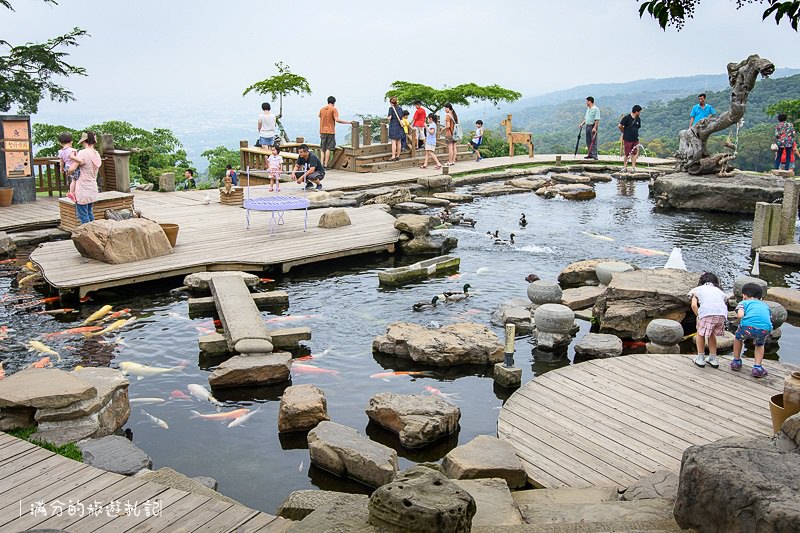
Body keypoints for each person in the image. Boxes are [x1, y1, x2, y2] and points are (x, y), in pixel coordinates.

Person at [732, 283, 773, 378]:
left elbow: (740, 315)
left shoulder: (743, 303)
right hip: (764, 329)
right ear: (760, 298)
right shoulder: (765, 305)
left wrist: (738, 318)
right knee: (760, 344)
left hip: (747, 327)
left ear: (744, 296)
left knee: (738, 338)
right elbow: (769, 318)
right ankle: (757, 367)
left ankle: (736, 361)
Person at [689, 272, 728, 369]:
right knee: (711, 334)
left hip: (707, 312)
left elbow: (694, 305)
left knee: (700, 333)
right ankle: (713, 358)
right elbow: (723, 302)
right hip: (722, 314)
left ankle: (701, 358)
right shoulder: (719, 291)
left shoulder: (697, 290)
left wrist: (698, 316)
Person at [69, 131, 100, 225]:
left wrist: (68, 171)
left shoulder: (82, 153)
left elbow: (72, 168)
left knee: (83, 216)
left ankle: (87, 235)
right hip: (92, 187)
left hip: (82, 188)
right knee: (90, 213)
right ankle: (94, 232)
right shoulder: (97, 154)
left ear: (84, 141)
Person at [319, 96, 352, 167]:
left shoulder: (322, 109)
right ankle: (325, 165)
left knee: (322, 149)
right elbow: (337, 120)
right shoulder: (333, 109)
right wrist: (348, 122)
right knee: (328, 148)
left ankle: (321, 164)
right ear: (334, 102)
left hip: (322, 131)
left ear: (327, 101)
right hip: (330, 131)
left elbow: (320, 117)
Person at [618, 105, 642, 172]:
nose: (640, 113)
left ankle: (633, 167)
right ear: (636, 111)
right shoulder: (626, 118)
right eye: (639, 112)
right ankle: (624, 167)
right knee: (627, 153)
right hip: (627, 139)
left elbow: (637, 128)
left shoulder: (638, 119)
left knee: (634, 153)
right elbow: (620, 126)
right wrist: (624, 131)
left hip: (635, 139)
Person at [57, 132, 80, 202]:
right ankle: (72, 192)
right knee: (75, 180)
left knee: (72, 180)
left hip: (67, 167)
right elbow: (73, 158)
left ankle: (72, 192)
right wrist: (81, 160)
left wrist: (61, 168)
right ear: (71, 141)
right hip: (73, 167)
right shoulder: (72, 150)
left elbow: (61, 162)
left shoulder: (60, 151)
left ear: (60, 143)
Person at [387, 96, 405, 161]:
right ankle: (398, 156)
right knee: (399, 142)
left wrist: (388, 118)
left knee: (393, 142)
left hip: (393, 126)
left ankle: (393, 156)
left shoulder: (391, 108)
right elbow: (402, 117)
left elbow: (390, 117)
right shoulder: (400, 108)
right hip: (400, 126)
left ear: (391, 102)